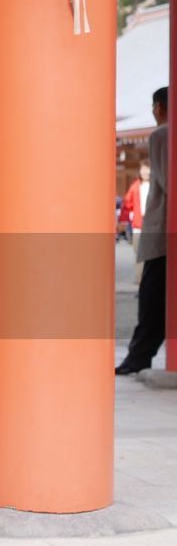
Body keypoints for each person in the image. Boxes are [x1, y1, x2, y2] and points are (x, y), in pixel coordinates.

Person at [117, 87, 169, 375]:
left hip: (164, 231)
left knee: (152, 298)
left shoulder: (162, 134)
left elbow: (168, 180)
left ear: (160, 107)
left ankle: (139, 357)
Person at [120, 162, 150, 251]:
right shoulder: (135, 186)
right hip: (138, 224)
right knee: (138, 251)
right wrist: (123, 221)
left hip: (153, 224)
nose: (145, 172)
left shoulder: (156, 186)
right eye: (143, 169)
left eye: (148, 169)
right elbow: (127, 204)